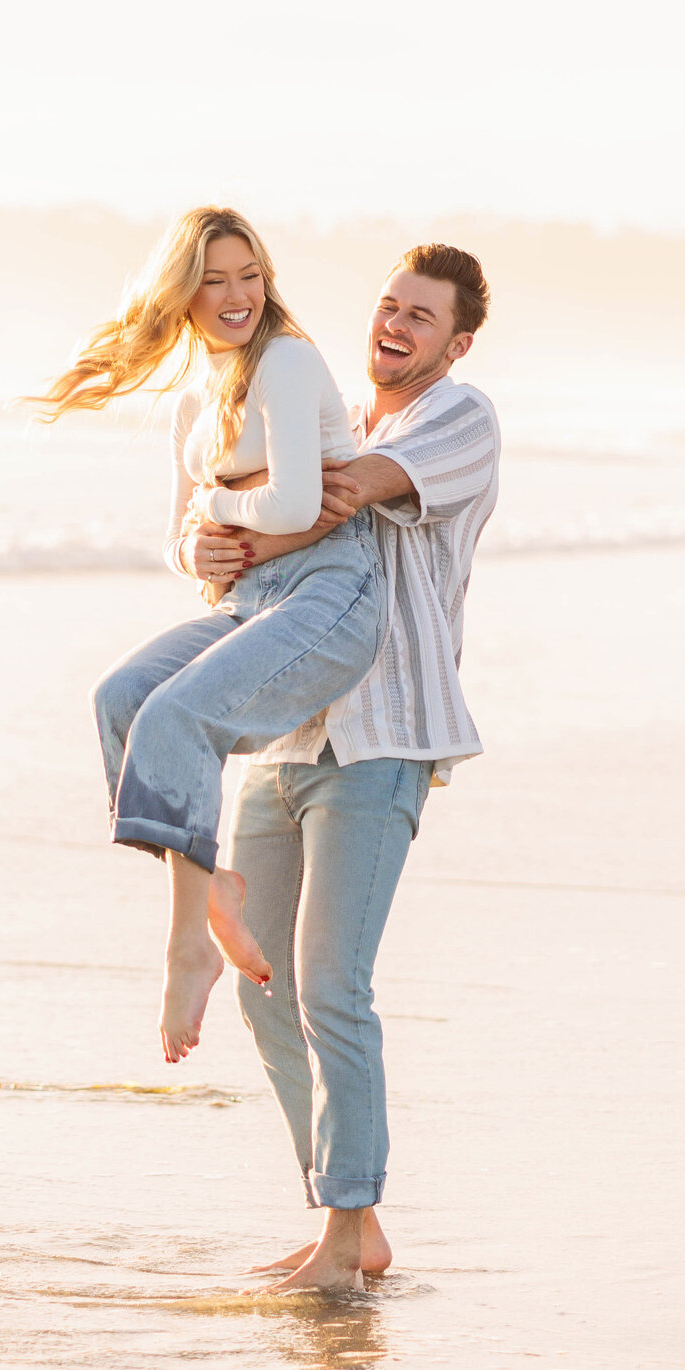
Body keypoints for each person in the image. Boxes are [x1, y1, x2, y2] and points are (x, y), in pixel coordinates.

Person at [182, 243, 500, 1292]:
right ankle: (344, 1219)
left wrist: (235, 519)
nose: (395, 323)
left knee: (332, 984)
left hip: (381, 740)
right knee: (262, 984)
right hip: (283, 737)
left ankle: (347, 1226)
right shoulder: (317, 420)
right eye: (387, 304)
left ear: (455, 341)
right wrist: (210, 541)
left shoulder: (457, 418)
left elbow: (336, 497)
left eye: (422, 315)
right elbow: (222, 530)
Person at [30, 207, 387, 1065]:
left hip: (330, 591)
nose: (235, 296)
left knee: (178, 716)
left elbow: (298, 507)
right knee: (120, 699)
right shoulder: (200, 395)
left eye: (248, 274)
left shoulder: (288, 361)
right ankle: (211, 890)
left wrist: (220, 506)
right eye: (214, 279)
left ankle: (187, 942)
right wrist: (198, 537)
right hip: (249, 599)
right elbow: (179, 538)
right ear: (183, 294)